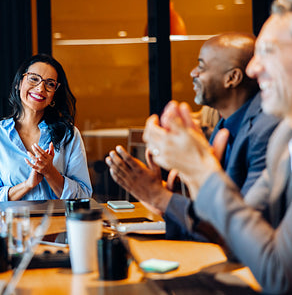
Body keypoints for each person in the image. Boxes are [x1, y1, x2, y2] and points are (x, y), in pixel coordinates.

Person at [135, 0, 292, 294]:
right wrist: (192, 170)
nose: (253, 68)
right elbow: (236, 241)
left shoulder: (272, 134)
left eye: (269, 51)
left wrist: (200, 170)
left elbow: (280, 276)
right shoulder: (285, 140)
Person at [106, 33, 280, 241]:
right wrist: (174, 197)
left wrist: (161, 197)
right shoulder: (224, 124)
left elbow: (241, 230)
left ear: (232, 78)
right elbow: (210, 214)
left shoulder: (266, 131)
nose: (193, 73)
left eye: (202, 67)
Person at [0, 54, 92, 207]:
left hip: (59, 225)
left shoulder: (69, 135)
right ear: (19, 83)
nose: (40, 88)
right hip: (13, 227)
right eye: (33, 78)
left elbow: (84, 197)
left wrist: (51, 173)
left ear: (54, 95)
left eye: (50, 84)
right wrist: (27, 185)